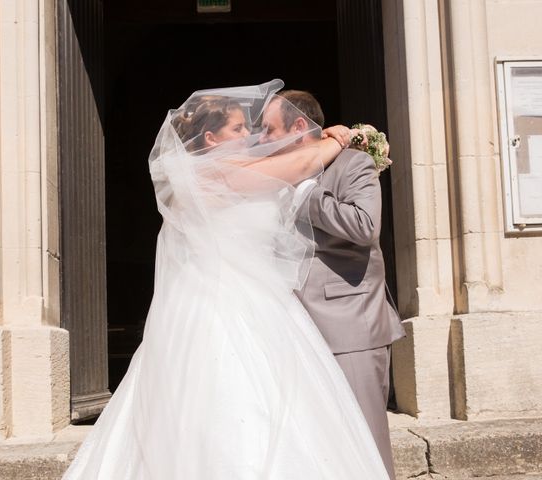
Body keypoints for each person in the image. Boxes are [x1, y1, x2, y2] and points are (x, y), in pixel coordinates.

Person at [62, 80, 389, 479]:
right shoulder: (209, 175)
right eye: (238, 129)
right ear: (211, 138)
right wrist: (338, 139)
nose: (250, 134)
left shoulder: (240, 169)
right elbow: (298, 167)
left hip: (266, 308)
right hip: (219, 310)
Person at [260, 90, 406, 479]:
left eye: (269, 129)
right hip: (293, 332)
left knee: (364, 443)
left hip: (350, 328)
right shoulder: (273, 176)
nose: (262, 139)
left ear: (298, 127)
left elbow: (364, 226)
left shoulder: (353, 165)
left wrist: (305, 191)